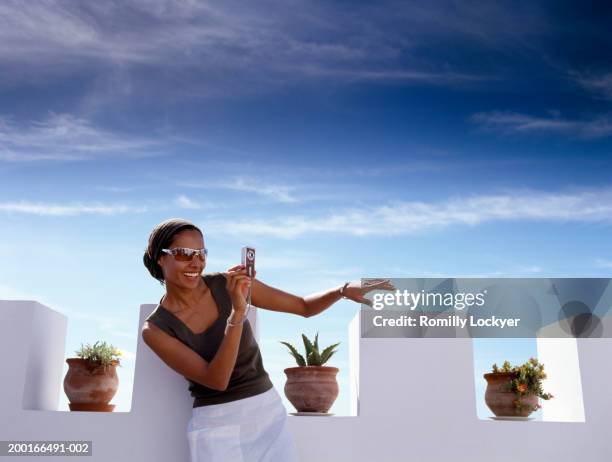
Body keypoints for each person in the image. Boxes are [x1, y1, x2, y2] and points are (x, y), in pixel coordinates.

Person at [141, 218, 393, 462]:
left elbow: (303, 306)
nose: (196, 262)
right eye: (185, 253)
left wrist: (342, 290)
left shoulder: (226, 284)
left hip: (267, 414)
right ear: (161, 257)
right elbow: (217, 380)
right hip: (215, 424)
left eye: (201, 253)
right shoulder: (156, 329)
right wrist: (237, 312)